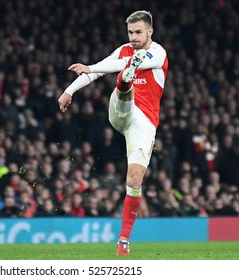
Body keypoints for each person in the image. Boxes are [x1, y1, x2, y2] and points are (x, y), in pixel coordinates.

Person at [58, 10, 168, 255]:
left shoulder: (158, 53)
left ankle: (123, 241)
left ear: (150, 31)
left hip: (145, 122)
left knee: (134, 180)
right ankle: (124, 84)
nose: (134, 37)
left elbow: (105, 66)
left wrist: (93, 66)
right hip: (122, 111)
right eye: (130, 32)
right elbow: (98, 72)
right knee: (123, 79)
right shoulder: (124, 50)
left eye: (139, 32)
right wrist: (69, 91)